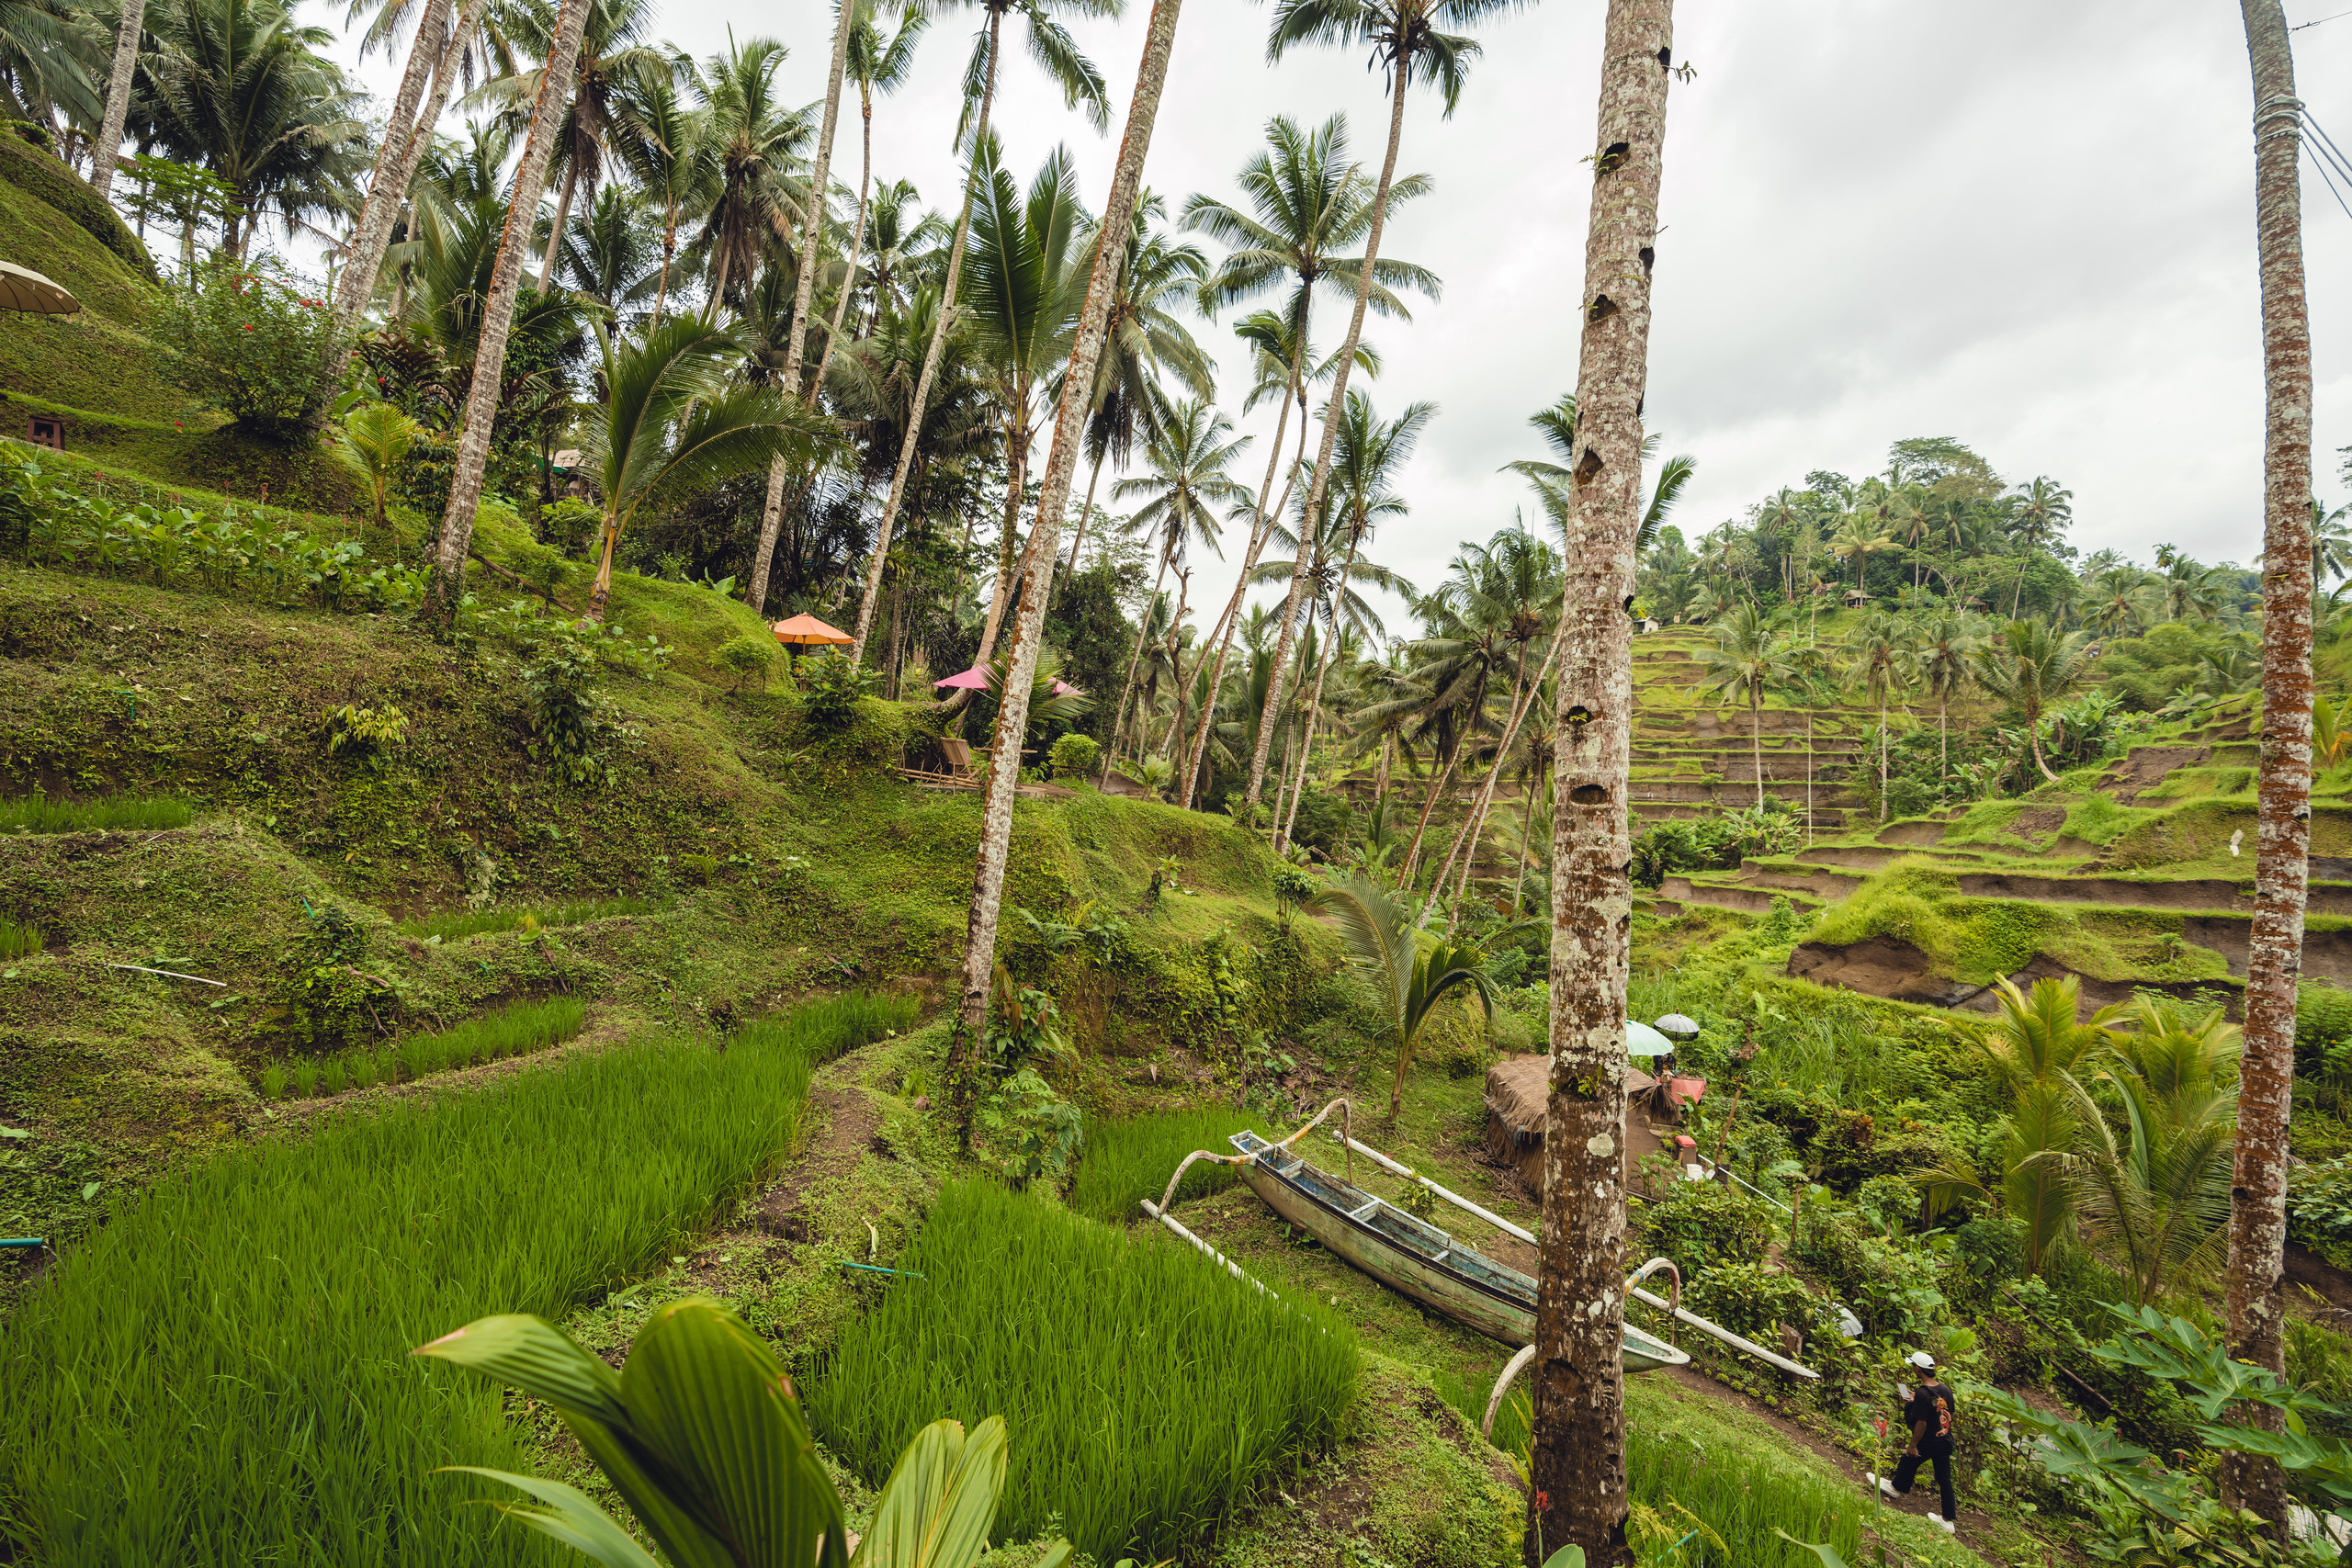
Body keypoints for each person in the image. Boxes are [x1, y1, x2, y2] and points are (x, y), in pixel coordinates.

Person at [1869, 1350, 1958, 1534]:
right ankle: (1948, 1521)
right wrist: (1917, 1400)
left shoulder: (1923, 1393)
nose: (1912, 1369)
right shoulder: (1944, 1389)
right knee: (1944, 1479)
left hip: (1929, 1440)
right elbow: (1944, 1409)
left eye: (1913, 1366)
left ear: (1918, 1369)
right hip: (1945, 1439)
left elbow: (1922, 1422)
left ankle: (1895, 1488)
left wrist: (1913, 1445)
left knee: (1908, 1459)